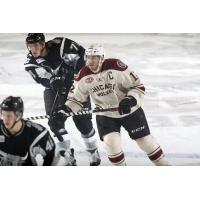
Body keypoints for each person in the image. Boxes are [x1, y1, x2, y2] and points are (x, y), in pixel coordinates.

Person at [54, 44, 171, 166]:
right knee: (112, 146)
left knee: (146, 143)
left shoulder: (116, 66)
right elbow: (76, 99)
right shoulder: (83, 74)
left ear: (102, 58)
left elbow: (138, 86)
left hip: (130, 111)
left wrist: (130, 100)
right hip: (105, 115)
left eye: (94, 57)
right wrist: (65, 111)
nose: (90, 61)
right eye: (88, 57)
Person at [24, 33, 101, 166]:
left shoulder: (61, 45)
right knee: (55, 123)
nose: (33, 49)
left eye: (36, 45)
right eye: (30, 46)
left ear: (43, 44)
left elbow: (82, 55)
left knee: (83, 124)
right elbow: (45, 79)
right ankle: (67, 155)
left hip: (76, 86)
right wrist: (54, 82)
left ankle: (93, 152)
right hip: (54, 91)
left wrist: (76, 76)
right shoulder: (30, 63)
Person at [0, 96, 55, 166]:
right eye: (3, 115)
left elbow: (52, 157)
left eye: (9, 115)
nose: (5, 119)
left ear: (19, 115)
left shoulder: (37, 132)